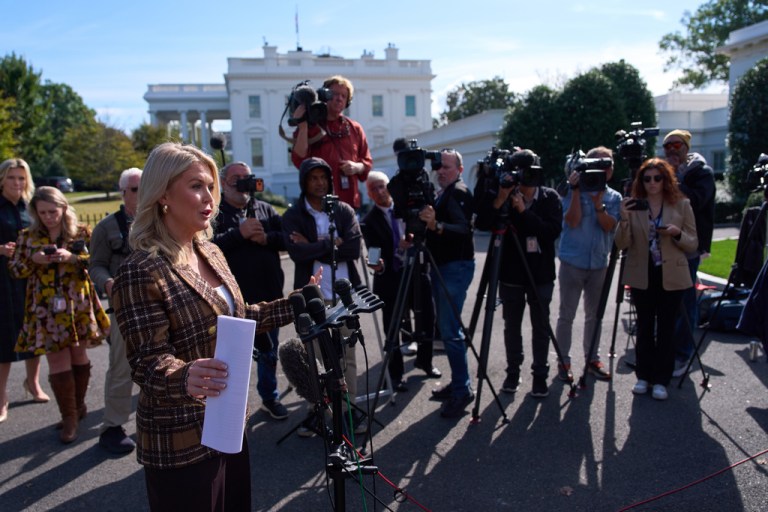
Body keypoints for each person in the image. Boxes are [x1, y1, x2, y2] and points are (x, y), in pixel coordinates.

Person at [112, 142, 309, 511]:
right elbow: (146, 362)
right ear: (163, 194)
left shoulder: (210, 250)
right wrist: (183, 375)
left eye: (211, 187)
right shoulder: (140, 270)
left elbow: (238, 319)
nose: (209, 197)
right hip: (180, 438)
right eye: (196, 186)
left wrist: (296, 303)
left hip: (228, 422)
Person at [9, 186, 110, 443]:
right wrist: (35, 260)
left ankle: (78, 406)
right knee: (57, 360)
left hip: (76, 304)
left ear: (64, 208)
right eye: (42, 212)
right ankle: (69, 418)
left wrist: (72, 257)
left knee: (79, 354)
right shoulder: (27, 236)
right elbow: (15, 269)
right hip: (45, 308)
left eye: (53, 211)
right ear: (35, 212)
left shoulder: (79, 233)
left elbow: (94, 262)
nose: (48, 217)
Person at [282, 157, 363, 433]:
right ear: (304, 182)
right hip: (312, 297)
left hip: (344, 294)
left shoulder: (342, 210)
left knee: (347, 356)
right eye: (313, 178)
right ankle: (319, 410)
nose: (319, 182)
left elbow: (353, 249)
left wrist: (315, 245)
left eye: (323, 177)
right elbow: (296, 252)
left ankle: (348, 411)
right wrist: (332, 243)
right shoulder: (294, 215)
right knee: (315, 358)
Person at [475, 149, 563, 399]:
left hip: (540, 274)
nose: (526, 180)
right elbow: (483, 223)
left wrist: (524, 212)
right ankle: (513, 372)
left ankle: (539, 375)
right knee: (511, 326)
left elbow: (550, 232)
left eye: (530, 172)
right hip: (511, 272)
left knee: (540, 326)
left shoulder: (550, 198)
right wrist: (500, 198)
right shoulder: (503, 193)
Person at [615, 158, 698, 400]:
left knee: (666, 328)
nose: (652, 183)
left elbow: (693, 242)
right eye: (647, 178)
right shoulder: (634, 205)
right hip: (643, 272)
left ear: (666, 179)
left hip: (671, 273)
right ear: (641, 181)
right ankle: (643, 375)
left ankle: (661, 378)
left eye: (657, 178)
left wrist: (676, 233)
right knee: (643, 327)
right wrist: (623, 218)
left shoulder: (681, 204)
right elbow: (621, 243)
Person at [212, 161, 288, 421]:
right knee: (234, 357)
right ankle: (231, 407)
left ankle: (269, 397)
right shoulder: (215, 214)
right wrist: (239, 233)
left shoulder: (264, 209)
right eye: (236, 178)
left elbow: (288, 237)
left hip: (269, 295)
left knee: (269, 353)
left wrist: (266, 238)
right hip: (234, 301)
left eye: (247, 178)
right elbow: (207, 249)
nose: (243, 183)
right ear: (223, 183)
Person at [360, 171, 439, 393]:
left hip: (418, 271)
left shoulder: (409, 208)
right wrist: (392, 253)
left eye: (382, 186)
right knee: (392, 327)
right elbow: (375, 253)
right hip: (391, 279)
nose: (379, 191)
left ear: (390, 187)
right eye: (373, 188)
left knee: (427, 319)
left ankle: (425, 361)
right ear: (369, 194)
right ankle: (395, 375)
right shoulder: (368, 221)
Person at [555, 147, 621, 383]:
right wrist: (575, 191)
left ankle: (592, 358)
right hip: (573, 261)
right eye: (595, 163)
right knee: (567, 314)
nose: (602, 168)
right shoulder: (572, 191)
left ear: (611, 170)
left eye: (607, 164)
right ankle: (563, 360)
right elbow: (571, 222)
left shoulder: (614, 197)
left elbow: (609, 227)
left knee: (595, 315)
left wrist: (598, 204)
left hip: (599, 263)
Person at [88, 167, 142, 454]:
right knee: (122, 368)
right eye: (134, 189)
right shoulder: (107, 227)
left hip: (157, 306)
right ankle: (113, 426)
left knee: (162, 365)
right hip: (124, 307)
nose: (140, 193)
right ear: (122, 192)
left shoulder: (161, 221)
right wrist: (106, 282)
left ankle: (154, 421)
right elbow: (95, 264)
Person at [420, 148, 476, 418]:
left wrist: (437, 226)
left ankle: (462, 389)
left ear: (459, 170)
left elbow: (464, 229)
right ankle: (458, 383)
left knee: (451, 331)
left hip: (454, 268)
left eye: (447, 167)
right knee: (447, 329)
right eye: (439, 166)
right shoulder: (446, 192)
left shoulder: (460, 192)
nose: (441, 170)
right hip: (445, 267)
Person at [0, 158, 50, 424]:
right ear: (2, 180)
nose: (17, 183)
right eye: (11, 178)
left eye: (21, 178)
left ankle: (33, 384)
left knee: (34, 333)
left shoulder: (30, 209)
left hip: (30, 280)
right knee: (4, 337)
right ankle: (1, 397)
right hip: (2, 282)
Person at [662, 129, 715, 376]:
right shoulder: (661, 174)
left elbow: (697, 200)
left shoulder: (701, 172)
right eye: (668, 146)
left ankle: (682, 354)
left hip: (690, 244)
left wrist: (673, 179)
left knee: (685, 300)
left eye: (677, 145)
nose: (672, 150)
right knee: (666, 301)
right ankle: (665, 350)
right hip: (665, 245)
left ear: (686, 148)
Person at [291, 75, 372, 209]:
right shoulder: (311, 125)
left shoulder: (355, 128)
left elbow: (367, 163)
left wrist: (357, 167)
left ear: (348, 101)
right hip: (319, 205)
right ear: (324, 96)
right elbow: (299, 159)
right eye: (334, 94)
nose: (339, 98)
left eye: (344, 96)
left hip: (349, 204)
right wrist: (303, 125)